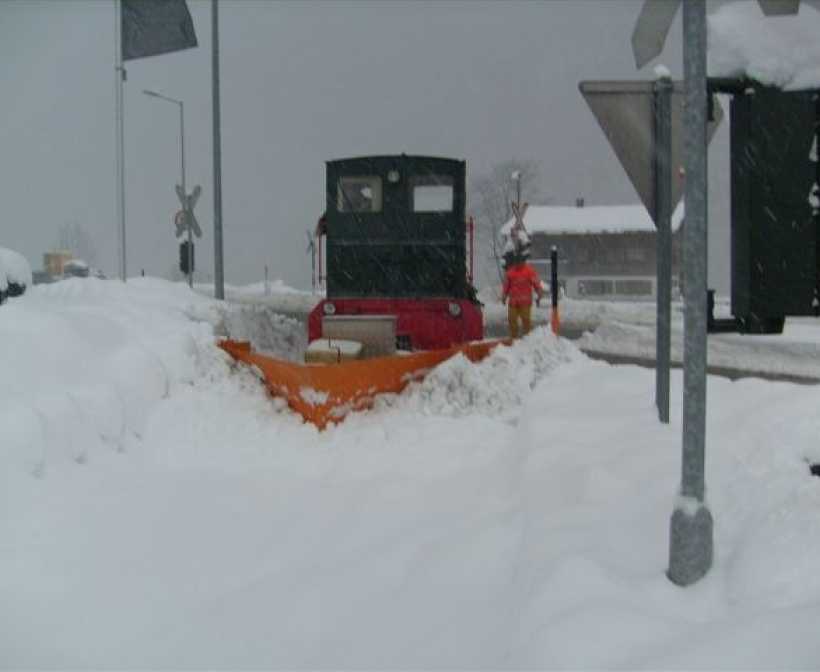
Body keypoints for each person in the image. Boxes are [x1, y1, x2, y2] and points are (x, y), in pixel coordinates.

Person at [501, 251, 545, 339]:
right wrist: (504, 296)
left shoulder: (529, 271)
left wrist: (539, 292)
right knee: (512, 321)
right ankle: (513, 338)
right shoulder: (510, 273)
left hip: (525, 302)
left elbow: (536, 283)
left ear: (523, 262)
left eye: (520, 261)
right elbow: (506, 286)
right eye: (517, 262)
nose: (518, 264)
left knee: (526, 321)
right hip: (513, 302)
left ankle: (527, 338)